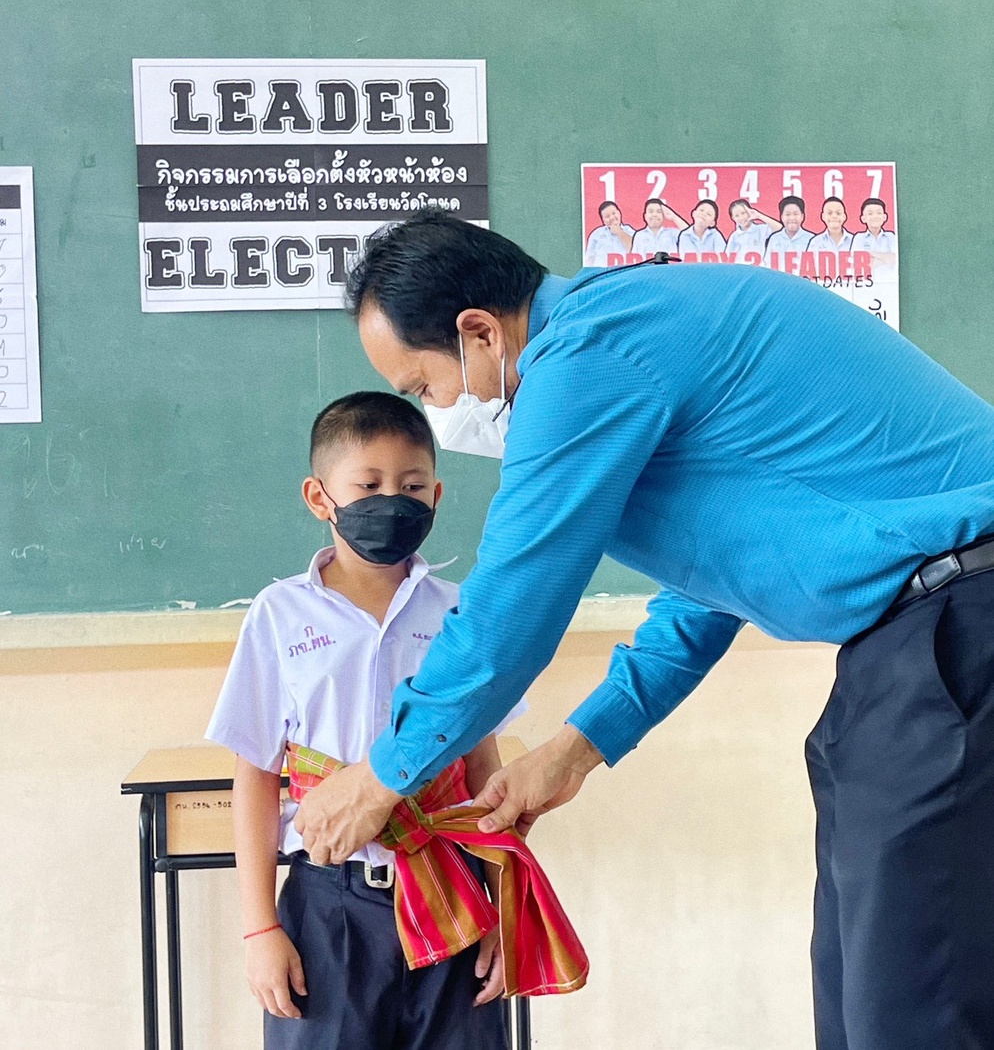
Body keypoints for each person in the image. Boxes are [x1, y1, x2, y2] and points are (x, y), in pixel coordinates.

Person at [293, 209, 994, 1050]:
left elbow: (512, 606)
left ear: (478, 333)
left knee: (911, 1002)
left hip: (957, 627)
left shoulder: (586, 353)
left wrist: (380, 777)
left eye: (424, 387)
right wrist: (575, 748)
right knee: (858, 993)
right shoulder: (629, 332)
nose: (437, 410)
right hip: (915, 643)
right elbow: (708, 594)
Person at [206, 391, 524, 1050]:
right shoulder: (279, 615)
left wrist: (504, 904)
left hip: (452, 891)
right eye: (369, 485)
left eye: (412, 486)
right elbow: (256, 776)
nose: (393, 501)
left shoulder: (460, 613)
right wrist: (260, 928)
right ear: (320, 497)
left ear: (436, 496)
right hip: (329, 905)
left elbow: (483, 768)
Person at [850, 196, 897, 280]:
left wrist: (871, 254)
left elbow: (895, 258)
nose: (875, 216)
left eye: (879, 213)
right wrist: (885, 259)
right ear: (863, 218)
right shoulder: (859, 237)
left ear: (885, 217)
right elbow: (859, 263)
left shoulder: (891, 236)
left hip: (889, 281)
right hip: (866, 282)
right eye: (870, 213)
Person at [763, 195, 814, 266]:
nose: (792, 218)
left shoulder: (812, 239)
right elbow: (767, 265)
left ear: (802, 216)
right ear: (782, 217)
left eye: (795, 214)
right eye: (787, 214)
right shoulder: (774, 238)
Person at [583, 200, 635, 265]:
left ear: (619, 213)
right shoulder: (596, 234)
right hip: (602, 270)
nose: (612, 218)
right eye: (607, 216)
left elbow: (635, 250)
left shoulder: (629, 231)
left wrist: (619, 232)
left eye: (614, 213)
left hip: (623, 270)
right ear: (603, 220)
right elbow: (589, 259)